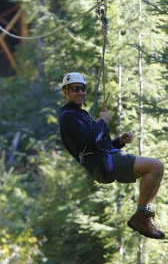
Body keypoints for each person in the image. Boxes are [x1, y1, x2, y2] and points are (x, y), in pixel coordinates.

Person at [58, 72, 165, 239]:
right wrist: (103, 121)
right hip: (102, 164)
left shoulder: (79, 114)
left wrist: (120, 142)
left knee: (156, 168)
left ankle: (143, 214)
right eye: (75, 89)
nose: (80, 93)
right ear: (66, 92)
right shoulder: (68, 116)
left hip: (104, 161)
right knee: (155, 166)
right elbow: (92, 137)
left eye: (83, 89)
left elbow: (97, 145)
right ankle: (141, 216)